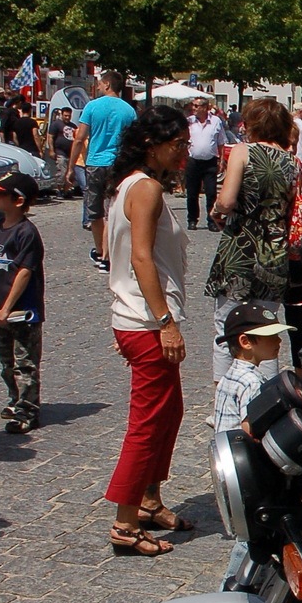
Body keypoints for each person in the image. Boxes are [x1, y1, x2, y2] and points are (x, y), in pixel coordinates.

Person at [104, 104, 191, 556]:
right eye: (177, 143)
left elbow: (108, 249)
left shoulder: (126, 187)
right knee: (146, 423)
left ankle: (148, 500)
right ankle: (124, 522)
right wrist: (165, 322)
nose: (184, 151)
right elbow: (140, 258)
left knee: (169, 412)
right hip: (146, 322)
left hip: (137, 317)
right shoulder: (147, 189)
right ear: (150, 144)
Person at [205, 98, 297, 391]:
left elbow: (228, 200)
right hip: (275, 250)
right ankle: (266, 399)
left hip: (241, 248)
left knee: (227, 325)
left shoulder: (243, 152)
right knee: (267, 325)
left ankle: (224, 397)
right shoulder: (291, 161)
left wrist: (218, 211)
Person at [0, 172, 44, 434]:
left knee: (26, 363)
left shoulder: (27, 232)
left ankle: (27, 410)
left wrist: (7, 308)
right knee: (7, 363)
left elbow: (24, 272)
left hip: (23, 312)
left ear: (18, 200)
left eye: (0, 193)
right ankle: (15, 400)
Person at [69, 72, 136, 269]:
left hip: (95, 162)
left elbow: (79, 138)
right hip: (118, 164)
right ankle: (110, 254)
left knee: (95, 211)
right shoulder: (129, 110)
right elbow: (133, 141)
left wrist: (71, 167)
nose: (97, 86)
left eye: (99, 83)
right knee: (113, 210)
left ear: (107, 84)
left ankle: (100, 252)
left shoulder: (92, 106)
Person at [212, 302, 292, 432]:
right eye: (271, 337)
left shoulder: (230, 376)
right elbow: (249, 427)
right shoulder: (251, 381)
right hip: (243, 449)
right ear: (245, 342)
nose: (279, 341)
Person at [185, 96, 227, 231]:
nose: (194, 108)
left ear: (204, 107)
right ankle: (192, 219)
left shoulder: (216, 122)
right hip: (193, 161)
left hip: (210, 161)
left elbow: (221, 142)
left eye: (197, 106)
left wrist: (222, 160)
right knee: (192, 192)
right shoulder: (189, 122)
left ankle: (212, 221)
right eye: (193, 105)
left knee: (211, 192)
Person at [47, 108, 75, 189]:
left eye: (69, 116)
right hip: (60, 152)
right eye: (65, 115)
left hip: (70, 153)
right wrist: (51, 150)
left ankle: (67, 189)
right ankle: (59, 188)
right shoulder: (56, 124)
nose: (67, 117)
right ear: (61, 115)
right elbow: (50, 137)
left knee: (70, 174)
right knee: (62, 172)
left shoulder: (73, 126)